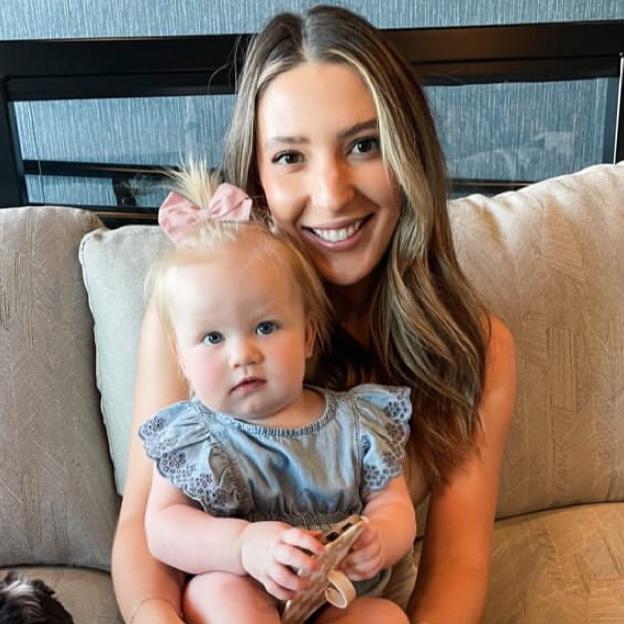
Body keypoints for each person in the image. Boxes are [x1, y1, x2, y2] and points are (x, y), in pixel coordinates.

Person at [111, 5, 517, 624]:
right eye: (290, 157)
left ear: (408, 155)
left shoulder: (472, 345)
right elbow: (145, 529)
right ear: (256, 177)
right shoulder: (200, 320)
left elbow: (458, 564)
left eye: (363, 145)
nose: (331, 193)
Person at [137, 197, 416, 623]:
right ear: (181, 358)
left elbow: (394, 505)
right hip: (241, 585)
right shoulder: (193, 435)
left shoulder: (359, 423)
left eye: (265, 327)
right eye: (213, 338)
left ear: (307, 336)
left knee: (385, 617)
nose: (242, 355)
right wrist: (242, 545)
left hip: (333, 596)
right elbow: (163, 528)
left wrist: (381, 538)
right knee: (217, 593)